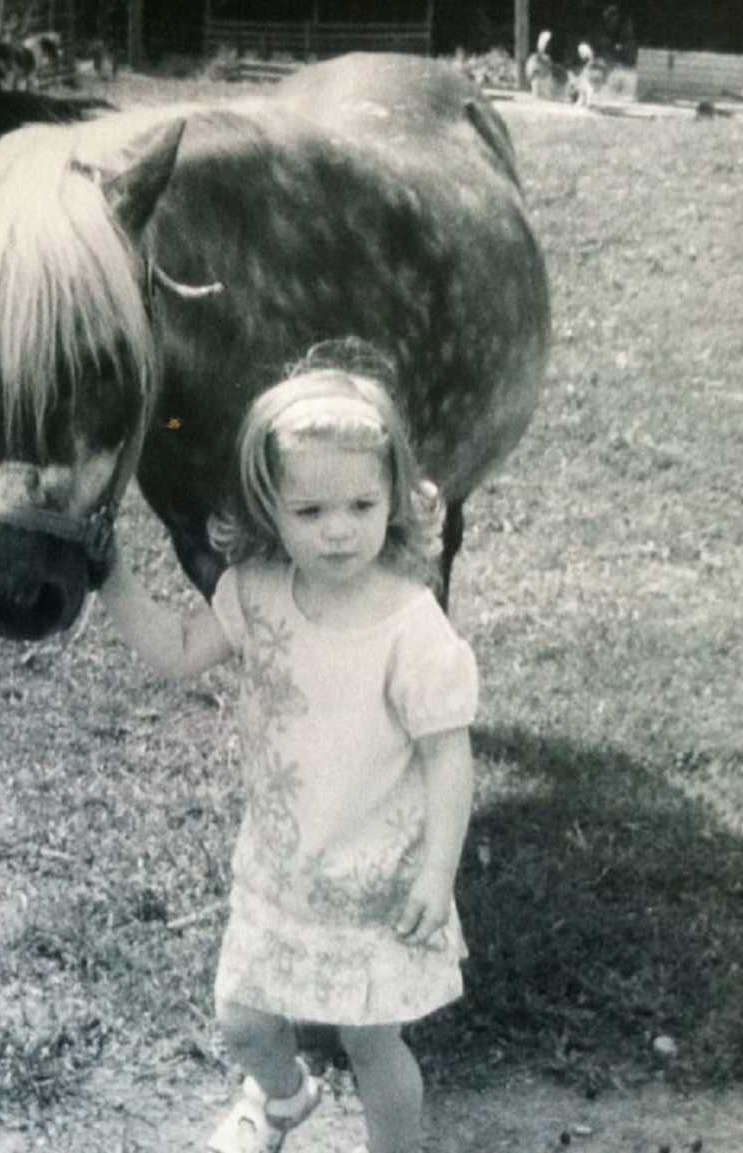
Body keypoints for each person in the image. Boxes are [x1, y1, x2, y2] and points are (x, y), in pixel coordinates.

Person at [99, 349, 479, 1153]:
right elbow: (174, 648)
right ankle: (282, 1096)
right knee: (242, 1016)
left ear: (394, 498)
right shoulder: (258, 593)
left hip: (375, 880)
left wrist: (438, 870)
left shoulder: (411, 625)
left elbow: (449, 757)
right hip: (278, 869)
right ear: (268, 507)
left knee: (372, 1041)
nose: (339, 529)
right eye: (309, 511)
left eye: (361, 503)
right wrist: (112, 577)